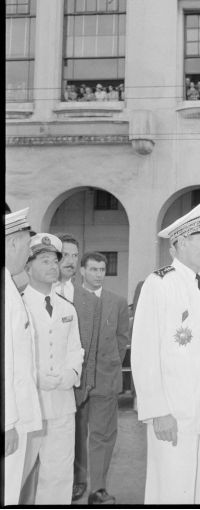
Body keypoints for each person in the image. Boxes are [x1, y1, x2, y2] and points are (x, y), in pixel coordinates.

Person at [131, 200, 200, 504]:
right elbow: (145, 353)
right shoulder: (159, 284)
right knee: (172, 491)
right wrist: (158, 410)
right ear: (182, 242)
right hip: (174, 410)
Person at [22, 233, 84, 505]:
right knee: (18, 473)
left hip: (61, 402)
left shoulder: (66, 307)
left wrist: (70, 375)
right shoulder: (19, 305)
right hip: (28, 402)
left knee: (59, 473)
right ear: (27, 267)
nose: (52, 266)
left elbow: (75, 349)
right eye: (44, 260)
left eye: (54, 261)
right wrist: (35, 376)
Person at [77, 251, 130, 504]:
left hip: (105, 381)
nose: (99, 274)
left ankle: (97, 489)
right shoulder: (70, 298)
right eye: (93, 269)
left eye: (102, 270)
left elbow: (122, 339)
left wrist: (110, 365)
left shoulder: (117, 302)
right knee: (73, 435)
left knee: (103, 435)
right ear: (82, 271)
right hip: (75, 382)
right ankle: (75, 482)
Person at [54, 234, 102, 503]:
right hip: (48, 381)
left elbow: (91, 345)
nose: (71, 261)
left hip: (77, 382)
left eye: (75, 255)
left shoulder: (87, 299)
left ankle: (79, 480)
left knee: (78, 432)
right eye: (66, 255)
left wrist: (87, 381)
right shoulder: (38, 292)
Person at [4, 208, 43, 506]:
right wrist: (6, 423)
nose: (28, 256)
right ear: (14, 242)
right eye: (28, 248)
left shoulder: (8, 285)